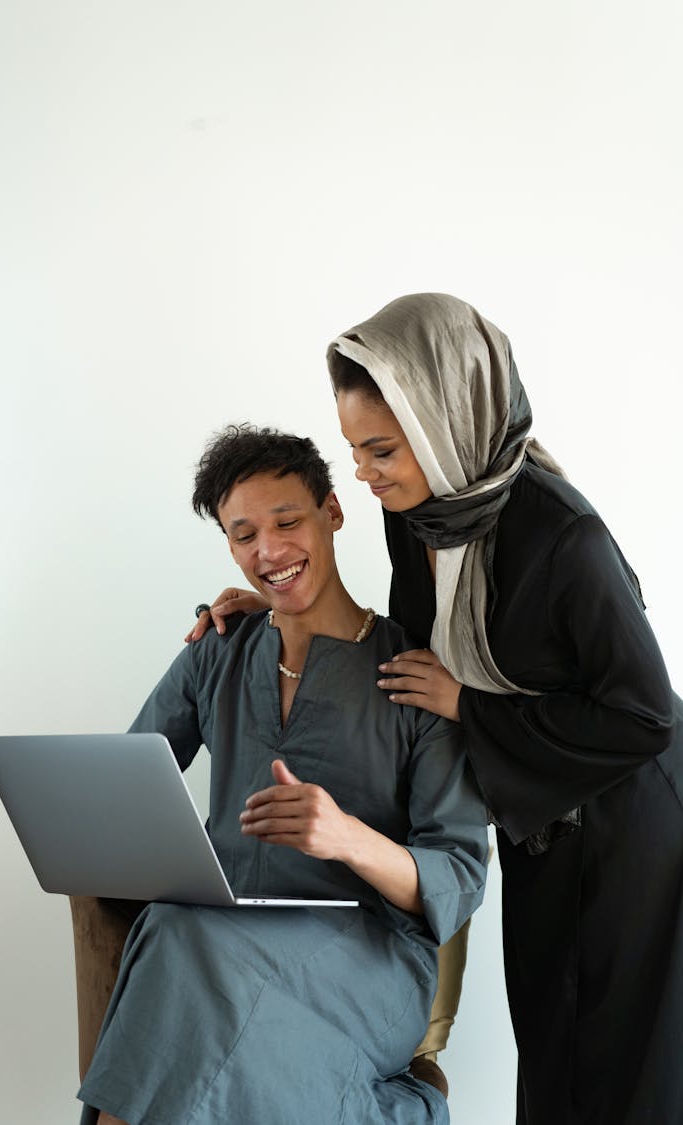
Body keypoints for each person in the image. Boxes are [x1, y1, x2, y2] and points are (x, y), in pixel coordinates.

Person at [190, 294, 683, 1125]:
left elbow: (646, 718)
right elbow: (409, 660)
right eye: (355, 450)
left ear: (448, 420)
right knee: (553, 1055)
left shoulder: (568, 540)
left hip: (628, 820)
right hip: (535, 817)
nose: (365, 473)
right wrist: (275, 604)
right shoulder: (416, 516)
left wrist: (470, 702)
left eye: (382, 448)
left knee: (625, 1067)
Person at [78, 423, 489, 1125]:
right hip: (219, 937)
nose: (268, 552)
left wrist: (347, 836)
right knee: (179, 934)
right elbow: (127, 785)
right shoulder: (218, 652)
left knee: (184, 948)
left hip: (370, 957)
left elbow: (459, 870)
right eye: (243, 536)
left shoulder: (415, 673)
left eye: (287, 521)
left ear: (332, 511)